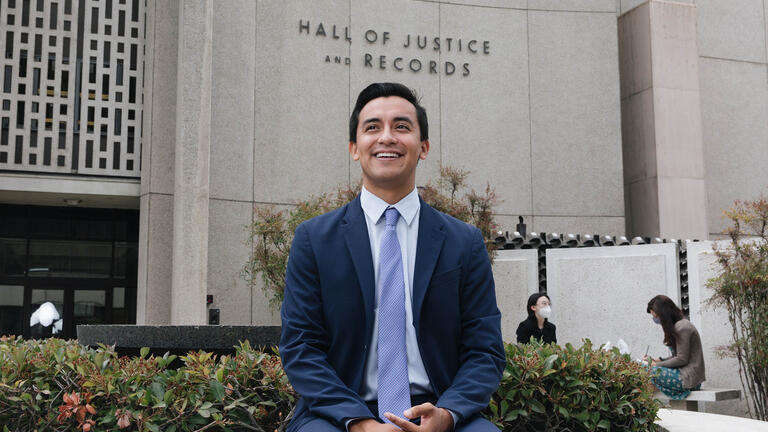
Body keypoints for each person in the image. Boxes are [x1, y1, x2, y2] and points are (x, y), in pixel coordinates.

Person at [279, 82, 506, 432]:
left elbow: (485, 351)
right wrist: (361, 423)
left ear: (423, 147)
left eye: (402, 127)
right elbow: (301, 348)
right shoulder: (314, 240)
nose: (387, 137)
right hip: (340, 415)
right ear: (355, 148)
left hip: (437, 409)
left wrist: (446, 415)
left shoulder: (465, 242)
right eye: (372, 127)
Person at [644, 295, 705, 399]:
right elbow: (677, 356)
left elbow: (681, 359)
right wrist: (657, 361)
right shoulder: (678, 326)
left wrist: (656, 365)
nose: (655, 320)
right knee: (644, 369)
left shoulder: (683, 327)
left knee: (646, 369)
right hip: (683, 375)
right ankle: (646, 405)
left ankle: (644, 406)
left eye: (656, 317)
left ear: (664, 314)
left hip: (688, 379)